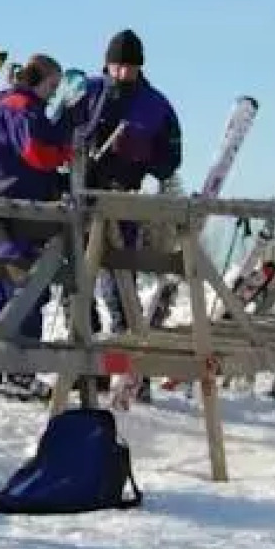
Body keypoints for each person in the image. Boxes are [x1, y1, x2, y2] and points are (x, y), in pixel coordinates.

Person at [0, 54, 77, 400]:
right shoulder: (20, 108)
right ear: (39, 80)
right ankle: (17, 369)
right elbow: (35, 152)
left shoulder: (12, 106)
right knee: (28, 284)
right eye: (52, 87)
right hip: (11, 208)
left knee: (2, 286)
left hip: (3, 205)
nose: (52, 94)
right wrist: (65, 153)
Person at [66, 28, 182, 337]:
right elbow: (54, 127)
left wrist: (142, 154)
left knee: (119, 278)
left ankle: (128, 351)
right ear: (107, 64)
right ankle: (83, 357)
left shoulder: (155, 105)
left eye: (130, 67)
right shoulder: (87, 92)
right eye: (118, 66)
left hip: (122, 200)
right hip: (78, 195)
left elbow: (171, 160)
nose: (123, 72)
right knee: (75, 281)